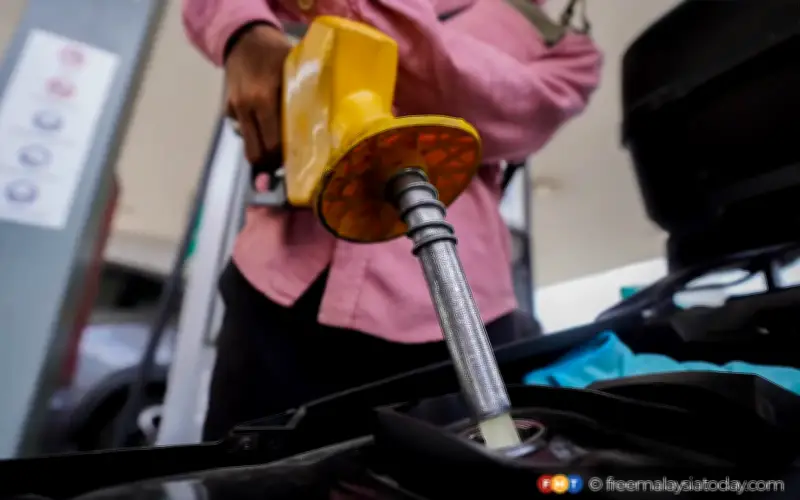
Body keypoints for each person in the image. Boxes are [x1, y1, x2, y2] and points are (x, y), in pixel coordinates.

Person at [182, 0, 602, 441]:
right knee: (242, 470)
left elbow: (497, 103)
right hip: (282, 282)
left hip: (453, 318)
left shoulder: (568, 53)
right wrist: (245, 33)